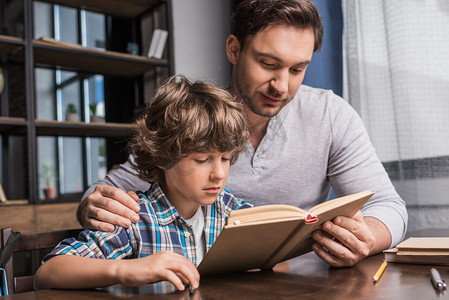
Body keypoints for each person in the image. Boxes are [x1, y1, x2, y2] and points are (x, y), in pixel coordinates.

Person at [77, 0, 408, 268]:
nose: (281, 86)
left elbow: (389, 206)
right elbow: (104, 194)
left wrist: (368, 237)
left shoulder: (331, 115)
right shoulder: (197, 119)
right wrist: (92, 207)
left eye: (297, 69)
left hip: (304, 284)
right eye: (268, 63)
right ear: (234, 49)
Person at [34, 75, 252, 291]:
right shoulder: (134, 220)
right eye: (203, 159)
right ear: (162, 157)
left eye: (225, 158)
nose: (219, 174)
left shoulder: (230, 210)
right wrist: (125, 270)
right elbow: (47, 273)